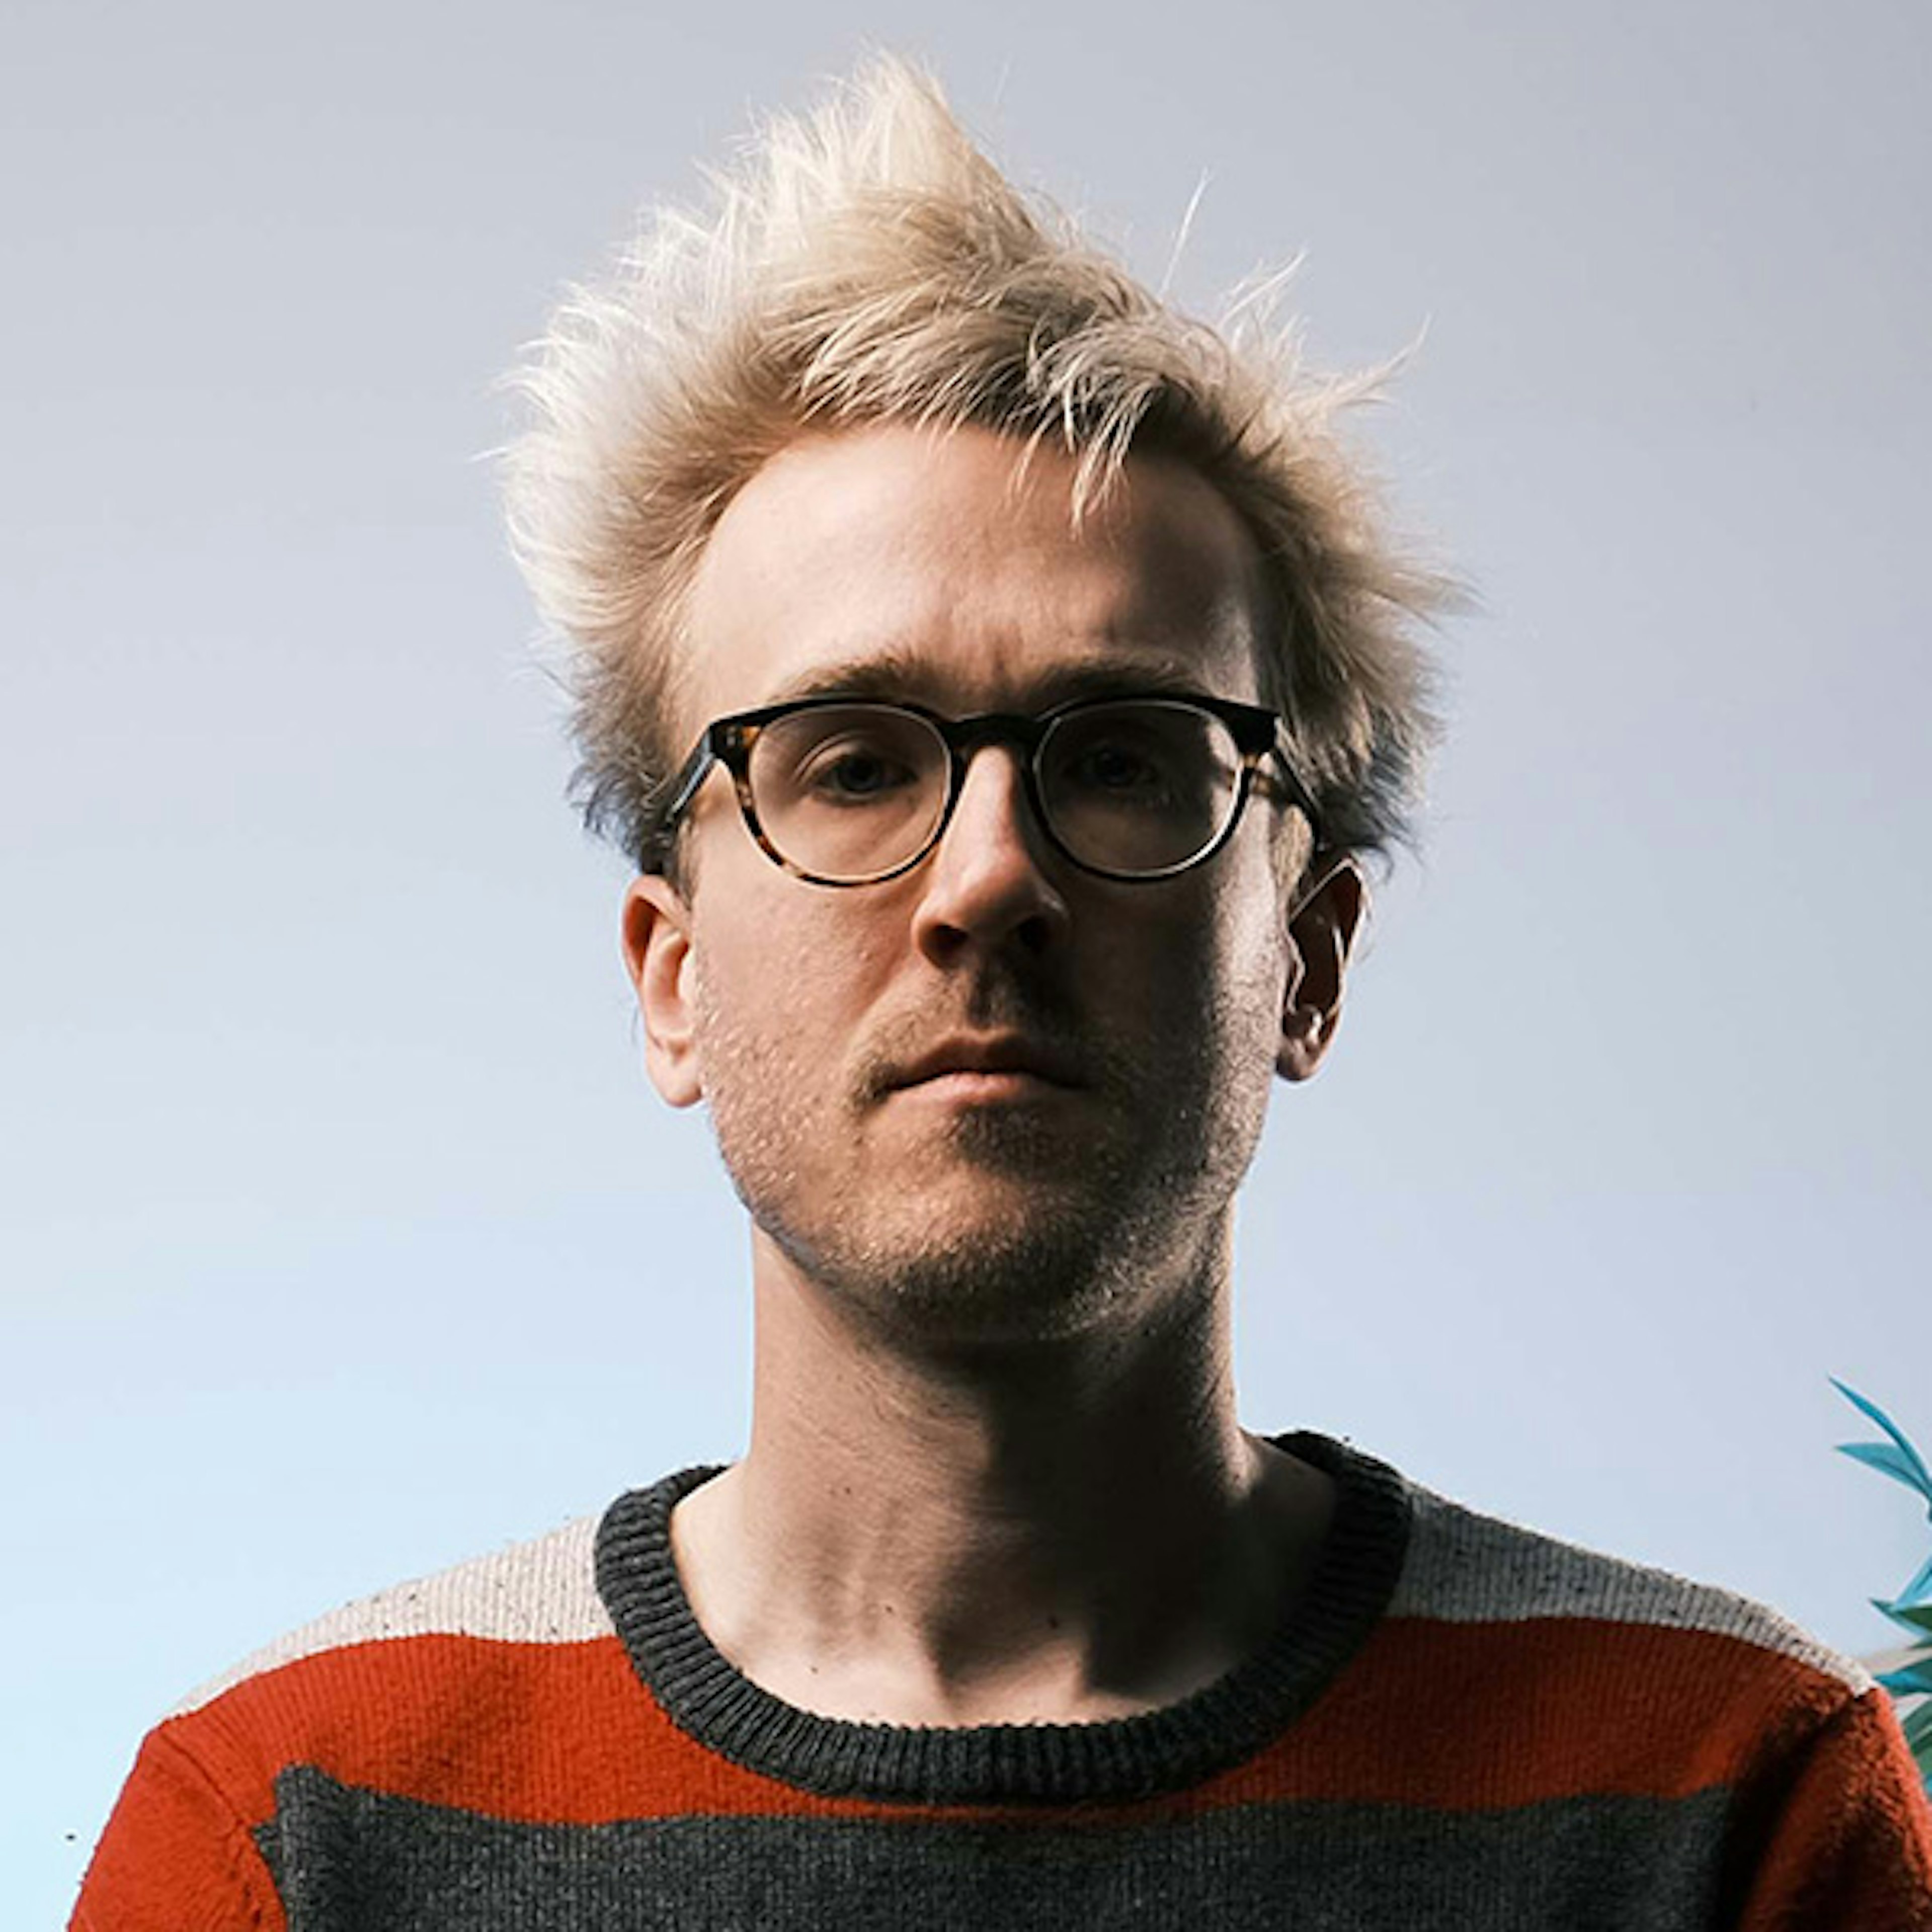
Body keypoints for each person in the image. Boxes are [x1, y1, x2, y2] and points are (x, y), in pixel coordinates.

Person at [73, 56, 1931, 1931]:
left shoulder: (1730, 1800)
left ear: (1307, 953)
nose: (986, 881)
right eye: (850, 762)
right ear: (672, 978)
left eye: (1124, 759)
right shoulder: (295, 1833)